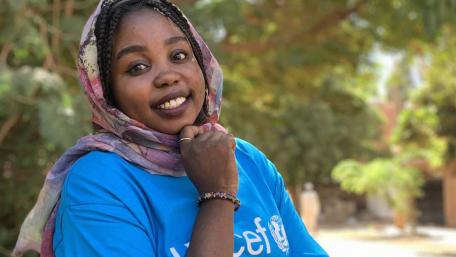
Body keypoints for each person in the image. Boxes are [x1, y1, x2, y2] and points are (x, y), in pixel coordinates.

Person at [12, 0, 329, 256]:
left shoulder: (247, 159)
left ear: (202, 64)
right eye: (138, 67)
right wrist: (217, 194)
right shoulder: (98, 184)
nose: (167, 76)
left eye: (179, 55)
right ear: (106, 93)